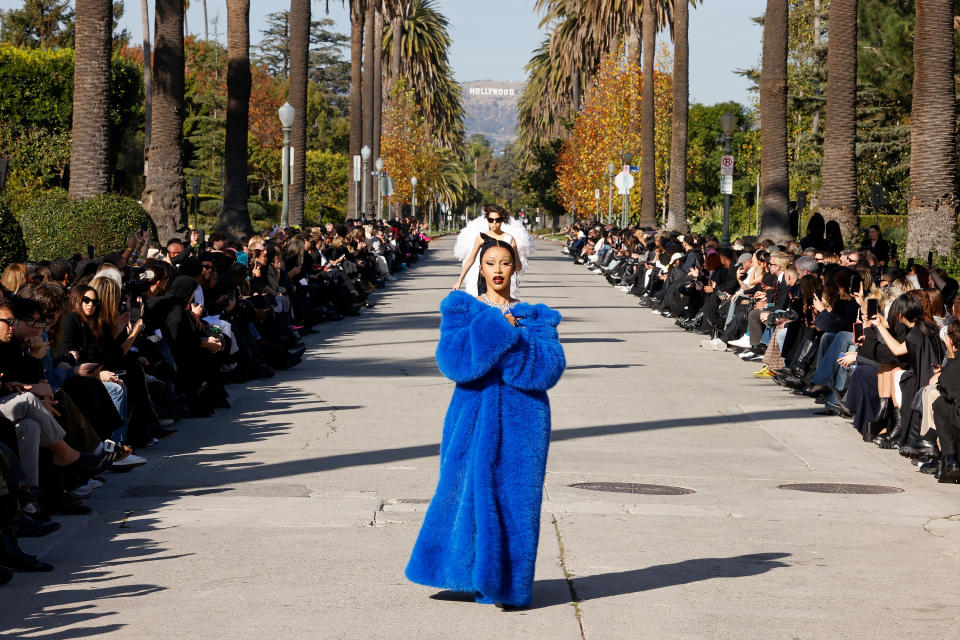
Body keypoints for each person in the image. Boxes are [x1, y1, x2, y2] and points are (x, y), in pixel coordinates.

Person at [407, 238, 565, 608]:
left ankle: (510, 587)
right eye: (490, 262)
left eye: (505, 263)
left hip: (525, 419)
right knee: (463, 493)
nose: (497, 269)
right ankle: (463, 575)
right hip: (471, 415)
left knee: (517, 500)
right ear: (479, 268)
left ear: (516, 269)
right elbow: (457, 364)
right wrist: (504, 333)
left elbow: (545, 370)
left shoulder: (538, 318)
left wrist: (506, 340)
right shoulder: (461, 310)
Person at [453, 205, 533, 298]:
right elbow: (471, 259)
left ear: (502, 220)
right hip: (485, 279)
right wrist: (459, 281)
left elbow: (518, 266)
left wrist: (514, 254)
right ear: (487, 220)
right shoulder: (481, 238)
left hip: (503, 279)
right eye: (491, 220)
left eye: (498, 220)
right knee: (484, 307)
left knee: (502, 307)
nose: (494, 222)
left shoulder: (509, 238)